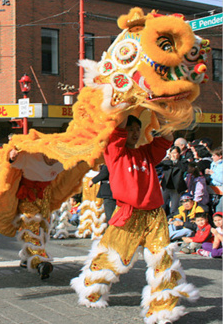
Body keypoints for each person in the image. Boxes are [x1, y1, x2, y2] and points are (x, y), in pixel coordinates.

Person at [71, 114, 198, 324]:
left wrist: (170, 112)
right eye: (131, 129)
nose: (135, 133)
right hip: (128, 215)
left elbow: (166, 137)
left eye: (138, 129)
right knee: (110, 257)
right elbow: (117, 129)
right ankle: (92, 292)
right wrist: (124, 103)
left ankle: (162, 310)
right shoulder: (115, 152)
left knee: (163, 260)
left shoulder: (146, 153)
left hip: (155, 215)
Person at [8, 147, 64, 279]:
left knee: (43, 228)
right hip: (28, 194)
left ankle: (27, 257)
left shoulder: (62, 161)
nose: (52, 159)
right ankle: (39, 262)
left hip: (45, 195)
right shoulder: (30, 156)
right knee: (30, 224)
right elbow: (11, 163)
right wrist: (11, 156)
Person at [159, 146, 188, 217]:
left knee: (174, 207)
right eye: (171, 153)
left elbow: (185, 168)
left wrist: (175, 162)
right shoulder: (167, 162)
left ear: (179, 153)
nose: (173, 155)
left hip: (176, 188)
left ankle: (172, 220)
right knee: (161, 205)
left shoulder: (183, 162)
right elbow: (158, 166)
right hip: (166, 186)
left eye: (175, 153)